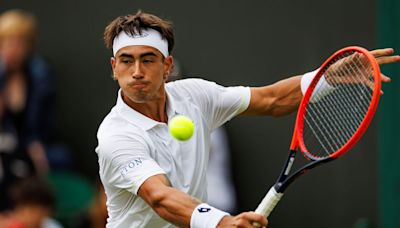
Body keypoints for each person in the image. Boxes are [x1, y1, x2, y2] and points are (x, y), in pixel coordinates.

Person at [95, 11, 400, 228]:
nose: (136, 71)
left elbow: (271, 100)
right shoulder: (116, 134)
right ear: (114, 66)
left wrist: (328, 78)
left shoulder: (196, 96)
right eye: (126, 60)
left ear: (167, 65)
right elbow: (160, 197)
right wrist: (222, 221)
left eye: (147, 59)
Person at [0, 9, 56, 212]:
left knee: (57, 159)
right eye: (7, 42)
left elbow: (44, 122)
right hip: (4, 144)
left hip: (29, 145)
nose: (14, 49)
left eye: (20, 42)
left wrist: (36, 144)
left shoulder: (40, 75)